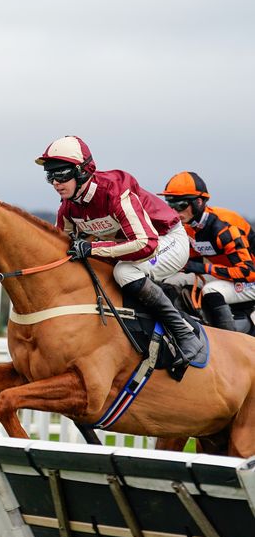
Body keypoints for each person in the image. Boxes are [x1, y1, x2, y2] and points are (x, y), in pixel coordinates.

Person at [36, 136, 203, 365]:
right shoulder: (68, 208)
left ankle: (185, 334)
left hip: (167, 240)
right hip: (131, 248)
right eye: (50, 175)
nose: (55, 182)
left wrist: (93, 247)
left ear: (83, 171)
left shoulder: (114, 191)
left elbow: (146, 245)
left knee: (125, 273)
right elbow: (61, 251)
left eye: (62, 173)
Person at [158, 171, 255, 331]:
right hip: (232, 276)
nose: (175, 211)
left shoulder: (223, 228)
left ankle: (229, 341)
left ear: (199, 202)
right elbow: (192, 263)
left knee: (211, 290)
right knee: (172, 281)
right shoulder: (189, 228)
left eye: (181, 205)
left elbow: (248, 272)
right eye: (171, 204)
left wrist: (205, 268)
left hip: (250, 279)